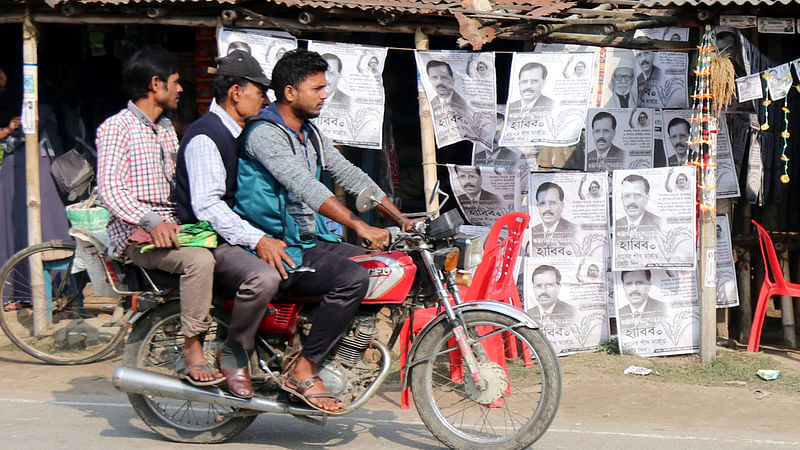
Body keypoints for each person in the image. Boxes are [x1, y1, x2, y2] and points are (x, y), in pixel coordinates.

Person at [235, 49, 411, 413]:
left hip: (310, 239)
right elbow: (306, 186)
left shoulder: (310, 134)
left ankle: (336, 352)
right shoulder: (265, 135)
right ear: (289, 92)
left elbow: (350, 175)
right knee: (351, 279)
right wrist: (358, 224)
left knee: (380, 264)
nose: (324, 95)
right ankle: (304, 368)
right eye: (316, 88)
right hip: (278, 247)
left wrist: (401, 220)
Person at [96, 48, 221, 386]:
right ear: (156, 84)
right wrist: (150, 220)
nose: (180, 89)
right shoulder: (115, 128)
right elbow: (110, 188)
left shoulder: (166, 128)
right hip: (135, 235)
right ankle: (193, 346)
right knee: (199, 262)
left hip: (173, 229)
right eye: (176, 82)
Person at [174, 51, 278, 398]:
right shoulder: (208, 135)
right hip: (206, 237)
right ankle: (234, 352)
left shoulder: (236, 132)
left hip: (226, 235)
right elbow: (208, 206)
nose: (264, 99)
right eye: (259, 91)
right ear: (236, 92)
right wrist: (257, 238)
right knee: (263, 277)